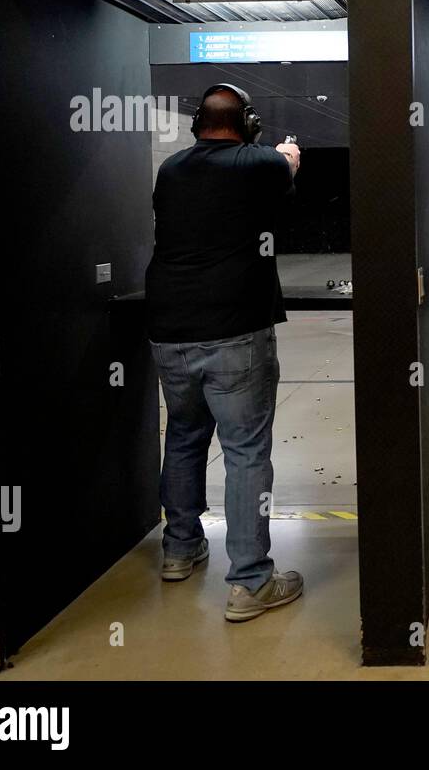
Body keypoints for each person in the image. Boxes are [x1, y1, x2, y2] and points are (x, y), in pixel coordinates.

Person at [144, 83, 305, 622]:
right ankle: (251, 580)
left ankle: (180, 548)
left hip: (169, 327)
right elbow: (280, 174)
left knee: (185, 437)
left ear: (198, 125)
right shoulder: (258, 162)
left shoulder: (171, 169)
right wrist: (288, 157)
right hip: (235, 328)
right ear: (248, 124)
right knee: (245, 452)